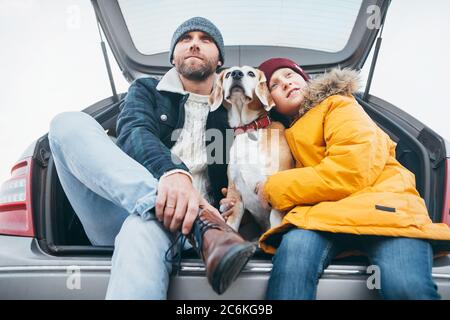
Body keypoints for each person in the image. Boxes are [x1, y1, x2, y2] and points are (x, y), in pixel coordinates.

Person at [48, 17, 255, 299]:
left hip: (176, 231)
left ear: (220, 60)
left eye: (205, 40)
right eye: (186, 39)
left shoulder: (234, 110)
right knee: (66, 124)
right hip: (122, 210)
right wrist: (175, 175)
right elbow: (134, 131)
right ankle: (199, 219)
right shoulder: (146, 90)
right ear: (173, 57)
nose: (194, 44)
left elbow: (251, 162)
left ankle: (196, 220)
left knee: (141, 227)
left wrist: (235, 202)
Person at [256, 57, 450, 300]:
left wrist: (271, 189)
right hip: (320, 217)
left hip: (385, 210)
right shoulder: (278, 137)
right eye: (274, 84)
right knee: (289, 275)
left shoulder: (338, 105)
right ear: (269, 102)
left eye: (289, 75)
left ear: (307, 80)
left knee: (406, 288)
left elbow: (350, 171)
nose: (285, 83)